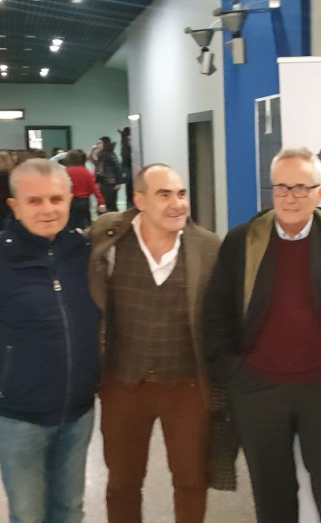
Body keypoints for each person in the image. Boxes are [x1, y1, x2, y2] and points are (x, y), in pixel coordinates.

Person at [204, 147, 321, 523]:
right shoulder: (242, 242)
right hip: (258, 390)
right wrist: (232, 372)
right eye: (281, 187)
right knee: (272, 501)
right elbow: (216, 312)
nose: (290, 197)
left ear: (320, 193)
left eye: (301, 188)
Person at [0, 159, 98, 523]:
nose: (48, 209)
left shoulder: (84, 252)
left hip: (78, 412)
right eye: (34, 200)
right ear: (14, 205)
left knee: (69, 509)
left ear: (70, 199)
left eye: (56, 199)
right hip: (18, 419)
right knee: (27, 514)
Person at [89, 164, 225, 523]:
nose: (177, 203)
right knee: (123, 482)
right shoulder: (108, 236)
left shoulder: (207, 246)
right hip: (123, 383)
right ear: (139, 200)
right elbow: (59, 248)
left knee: (192, 479)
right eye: (164, 194)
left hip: (187, 385)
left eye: (181, 194)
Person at [65, 150, 105, 230]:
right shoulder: (86, 172)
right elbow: (94, 188)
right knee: (85, 224)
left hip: (70, 200)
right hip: (84, 201)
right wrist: (101, 203)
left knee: (70, 224)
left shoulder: (66, 172)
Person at [93, 136, 125, 213]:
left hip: (110, 183)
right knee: (105, 205)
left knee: (109, 205)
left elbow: (118, 168)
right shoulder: (102, 155)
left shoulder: (109, 154)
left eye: (100, 143)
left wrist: (118, 182)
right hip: (104, 183)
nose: (97, 145)